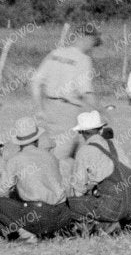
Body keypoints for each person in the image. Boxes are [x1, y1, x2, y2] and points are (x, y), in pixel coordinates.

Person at [0, 116, 75, 240]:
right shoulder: (50, 156)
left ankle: (26, 234)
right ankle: (53, 233)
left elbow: (2, 191)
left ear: (18, 141)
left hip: (38, 215)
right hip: (62, 215)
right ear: (37, 139)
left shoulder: (15, 160)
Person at [65, 110, 131, 230]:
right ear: (101, 130)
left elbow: (78, 190)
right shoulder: (115, 144)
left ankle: (100, 227)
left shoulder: (84, 151)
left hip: (113, 207)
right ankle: (123, 223)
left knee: (69, 204)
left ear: (81, 132)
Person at [29, 26, 98, 161]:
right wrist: (100, 113)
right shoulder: (83, 59)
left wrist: (38, 108)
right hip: (69, 111)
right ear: (86, 39)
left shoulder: (55, 53)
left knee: (45, 151)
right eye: (92, 42)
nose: (92, 47)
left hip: (48, 107)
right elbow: (87, 93)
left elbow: (35, 82)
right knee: (61, 158)